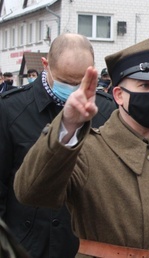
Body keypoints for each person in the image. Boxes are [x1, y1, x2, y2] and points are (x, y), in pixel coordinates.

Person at [13, 35, 149, 257]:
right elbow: (30, 192)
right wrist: (67, 124)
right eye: (145, 85)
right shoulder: (85, 152)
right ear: (119, 95)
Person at [0, 33, 116, 258]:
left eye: (81, 81)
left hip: (85, 246)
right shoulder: (10, 109)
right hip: (28, 245)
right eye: (66, 81)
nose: (74, 90)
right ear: (46, 65)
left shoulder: (107, 111)